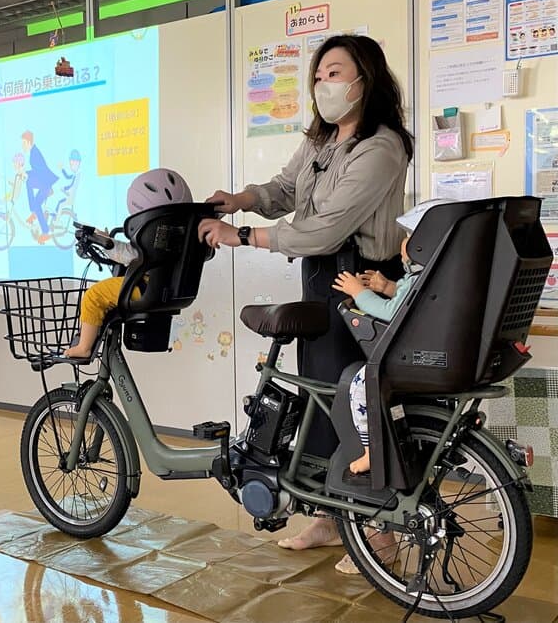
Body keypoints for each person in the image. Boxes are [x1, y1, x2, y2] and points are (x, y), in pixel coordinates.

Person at [197, 35, 414, 555]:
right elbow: (286, 189)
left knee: (354, 401)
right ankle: (330, 516)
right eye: (318, 75)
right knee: (321, 395)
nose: (323, 85)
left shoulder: (381, 147)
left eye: (335, 74)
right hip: (322, 277)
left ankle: (379, 529)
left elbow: (324, 229)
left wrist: (243, 236)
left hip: (362, 280)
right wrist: (241, 201)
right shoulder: (321, 140)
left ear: (366, 79)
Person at [332, 199, 453, 477]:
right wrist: (387, 286)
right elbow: (409, 301)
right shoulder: (440, 276)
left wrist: (359, 292)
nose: (404, 242)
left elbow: (390, 312)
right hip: (434, 353)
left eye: (409, 237)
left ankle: (371, 450)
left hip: (409, 356)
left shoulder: (421, 276)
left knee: (361, 384)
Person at [64, 168, 192, 358]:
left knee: (93, 296)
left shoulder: (155, 238)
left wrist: (107, 243)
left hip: (146, 288)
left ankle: (83, 347)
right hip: (172, 288)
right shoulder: (188, 229)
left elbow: (129, 255)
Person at [21, 131, 59, 243]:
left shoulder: (34, 154)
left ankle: (45, 232)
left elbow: (40, 172)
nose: (22, 146)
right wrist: (26, 173)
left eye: (23, 143)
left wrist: (27, 174)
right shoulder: (33, 153)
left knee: (35, 203)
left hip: (45, 183)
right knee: (29, 186)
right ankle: (34, 211)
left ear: (28, 142)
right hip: (44, 182)